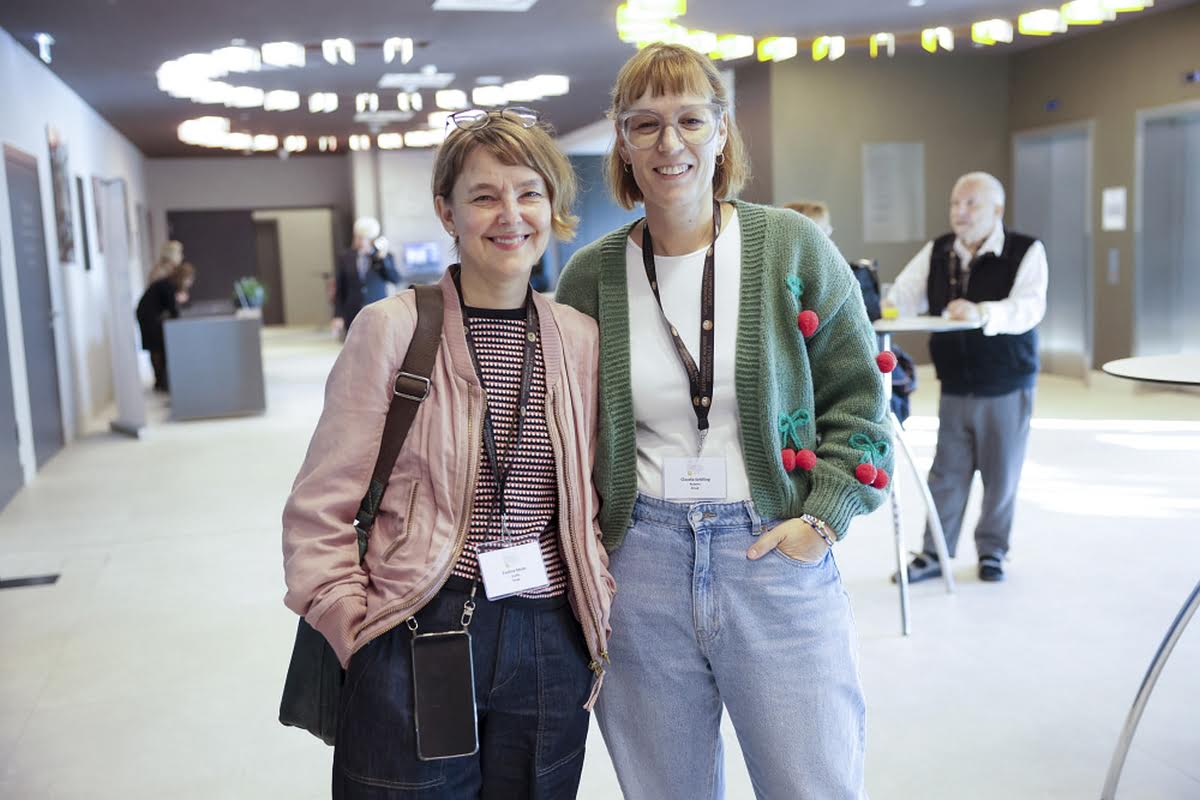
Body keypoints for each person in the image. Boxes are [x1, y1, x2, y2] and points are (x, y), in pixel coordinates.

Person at [555, 43, 891, 800]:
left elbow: (859, 397)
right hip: (640, 565)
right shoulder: (591, 277)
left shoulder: (792, 247)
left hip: (771, 548)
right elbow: (563, 430)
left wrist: (824, 519)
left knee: (811, 784)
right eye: (644, 124)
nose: (668, 142)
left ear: (721, 131)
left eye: (689, 120)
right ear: (623, 143)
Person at [282, 107, 615, 799]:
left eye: (528, 193)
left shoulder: (579, 337)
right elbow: (320, 505)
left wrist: (596, 606)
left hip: (548, 638)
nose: (510, 215)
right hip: (418, 625)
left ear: (551, 205)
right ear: (447, 211)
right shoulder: (392, 328)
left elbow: (592, 495)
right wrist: (354, 626)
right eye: (484, 196)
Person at [886, 171, 1048, 583]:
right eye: (955, 204)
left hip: (1006, 383)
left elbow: (1029, 307)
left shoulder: (1025, 250)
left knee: (1000, 475)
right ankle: (934, 554)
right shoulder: (939, 250)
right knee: (946, 473)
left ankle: (992, 552)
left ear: (997, 209)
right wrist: (881, 306)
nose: (960, 212)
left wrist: (983, 312)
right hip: (955, 383)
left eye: (971, 204)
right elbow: (903, 295)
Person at [331, 216, 403, 337]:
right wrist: (338, 315)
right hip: (352, 312)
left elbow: (395, 279)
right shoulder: (345, 257)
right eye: (358, 237)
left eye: (364, 238)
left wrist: (381, 259)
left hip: (379, 310)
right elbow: (340, 289)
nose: (360, 241)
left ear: (372, 239)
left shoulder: (384, 257)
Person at [135, 261, 194, 392]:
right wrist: (179, 300)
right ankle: (160, 383)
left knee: (156, 348)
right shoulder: (168, 286)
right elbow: (174, 311)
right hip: (148, 317)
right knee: (156, 348)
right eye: (189, 279)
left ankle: (160, 382)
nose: (190, 283)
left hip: (149, 316)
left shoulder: (167, 284)